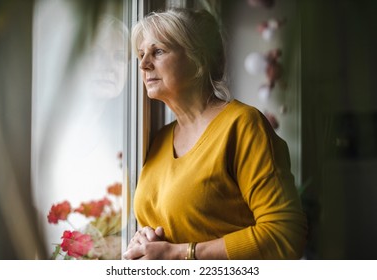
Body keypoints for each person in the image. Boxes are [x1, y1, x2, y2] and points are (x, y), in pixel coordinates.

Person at [123, 8, 307, 260]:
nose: (143, 64)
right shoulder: (159, 139)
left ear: (198, 59)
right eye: (142, 54)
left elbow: (285, 235)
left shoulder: (242, 125)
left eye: (158, 51)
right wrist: (144, 241)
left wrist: (180, 254)